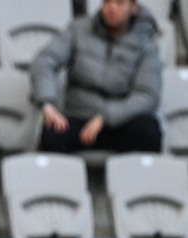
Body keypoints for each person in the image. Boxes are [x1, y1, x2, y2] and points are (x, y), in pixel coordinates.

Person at [31, 0, 163, 154]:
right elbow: (44, 61)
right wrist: (47, 103)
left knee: (149, 130)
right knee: (51, 132)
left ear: (133, 7)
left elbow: (148, 95)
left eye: (120, 3)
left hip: (121, 122)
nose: (112, 7)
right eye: (107, 1)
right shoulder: (78, 29)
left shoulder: (146, 43)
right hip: (79, 116)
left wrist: (106, 117)